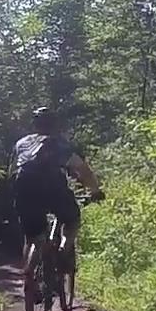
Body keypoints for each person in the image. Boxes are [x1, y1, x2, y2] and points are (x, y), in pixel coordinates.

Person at [11, 107, 104, 270]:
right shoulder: (59, 144)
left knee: (32, 237)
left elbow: (11, 171)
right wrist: (95, 191)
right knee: (72, 219)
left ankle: (29, 278)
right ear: (55, 125)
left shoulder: (21, 144)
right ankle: (63, 251)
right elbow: (83, 170)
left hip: (24, 191)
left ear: (35, 124)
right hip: (53, 189)